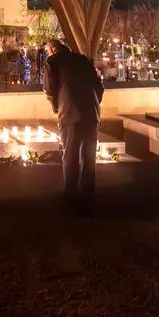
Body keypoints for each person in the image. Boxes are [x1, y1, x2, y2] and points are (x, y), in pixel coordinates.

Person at [43, 39, 104, 213]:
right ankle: (88, 196)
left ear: (52, 49)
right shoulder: (83, 60)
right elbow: (99, 87)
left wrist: (57, 107)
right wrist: (92, 104)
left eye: (48, 50)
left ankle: (70, 197)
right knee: (89, 154)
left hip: (70, 112)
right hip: (92, 112)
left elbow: (49, 89)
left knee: (70, 154)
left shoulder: (52, 61)